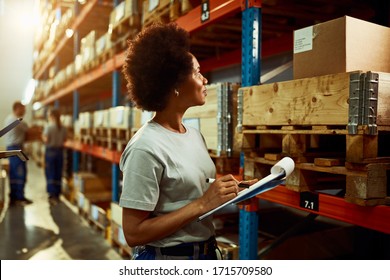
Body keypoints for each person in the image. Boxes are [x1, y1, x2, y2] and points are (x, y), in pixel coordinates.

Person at [119, 22, 256, 260]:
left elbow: (193, 193)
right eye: (197, 72)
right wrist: (203, 203)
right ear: (175, 86)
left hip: (205, 253)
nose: (204, 80)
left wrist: (234, 191)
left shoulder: (193, 134)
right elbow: (133, 233)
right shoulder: (145, 147)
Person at [4, 101, 32, 205]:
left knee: (14, 173)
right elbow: (29, 130)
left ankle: (14, 197)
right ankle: (19, 198)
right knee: (20, 172)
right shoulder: (16, 121)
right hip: (15, 148)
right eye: (23, 109)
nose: (24, 111)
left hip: (11, 148)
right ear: (17, 108)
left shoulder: (8, 118)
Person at [42, 108, 67, 204]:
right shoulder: (63, 127)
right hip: (60, 152)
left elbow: (46, 140)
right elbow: (65, 139)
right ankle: (57, 194)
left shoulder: (49, 127)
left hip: (51, 151)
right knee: (58, 172)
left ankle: (52, 195)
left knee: (50, 172)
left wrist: (42, 137)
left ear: (52, 116)